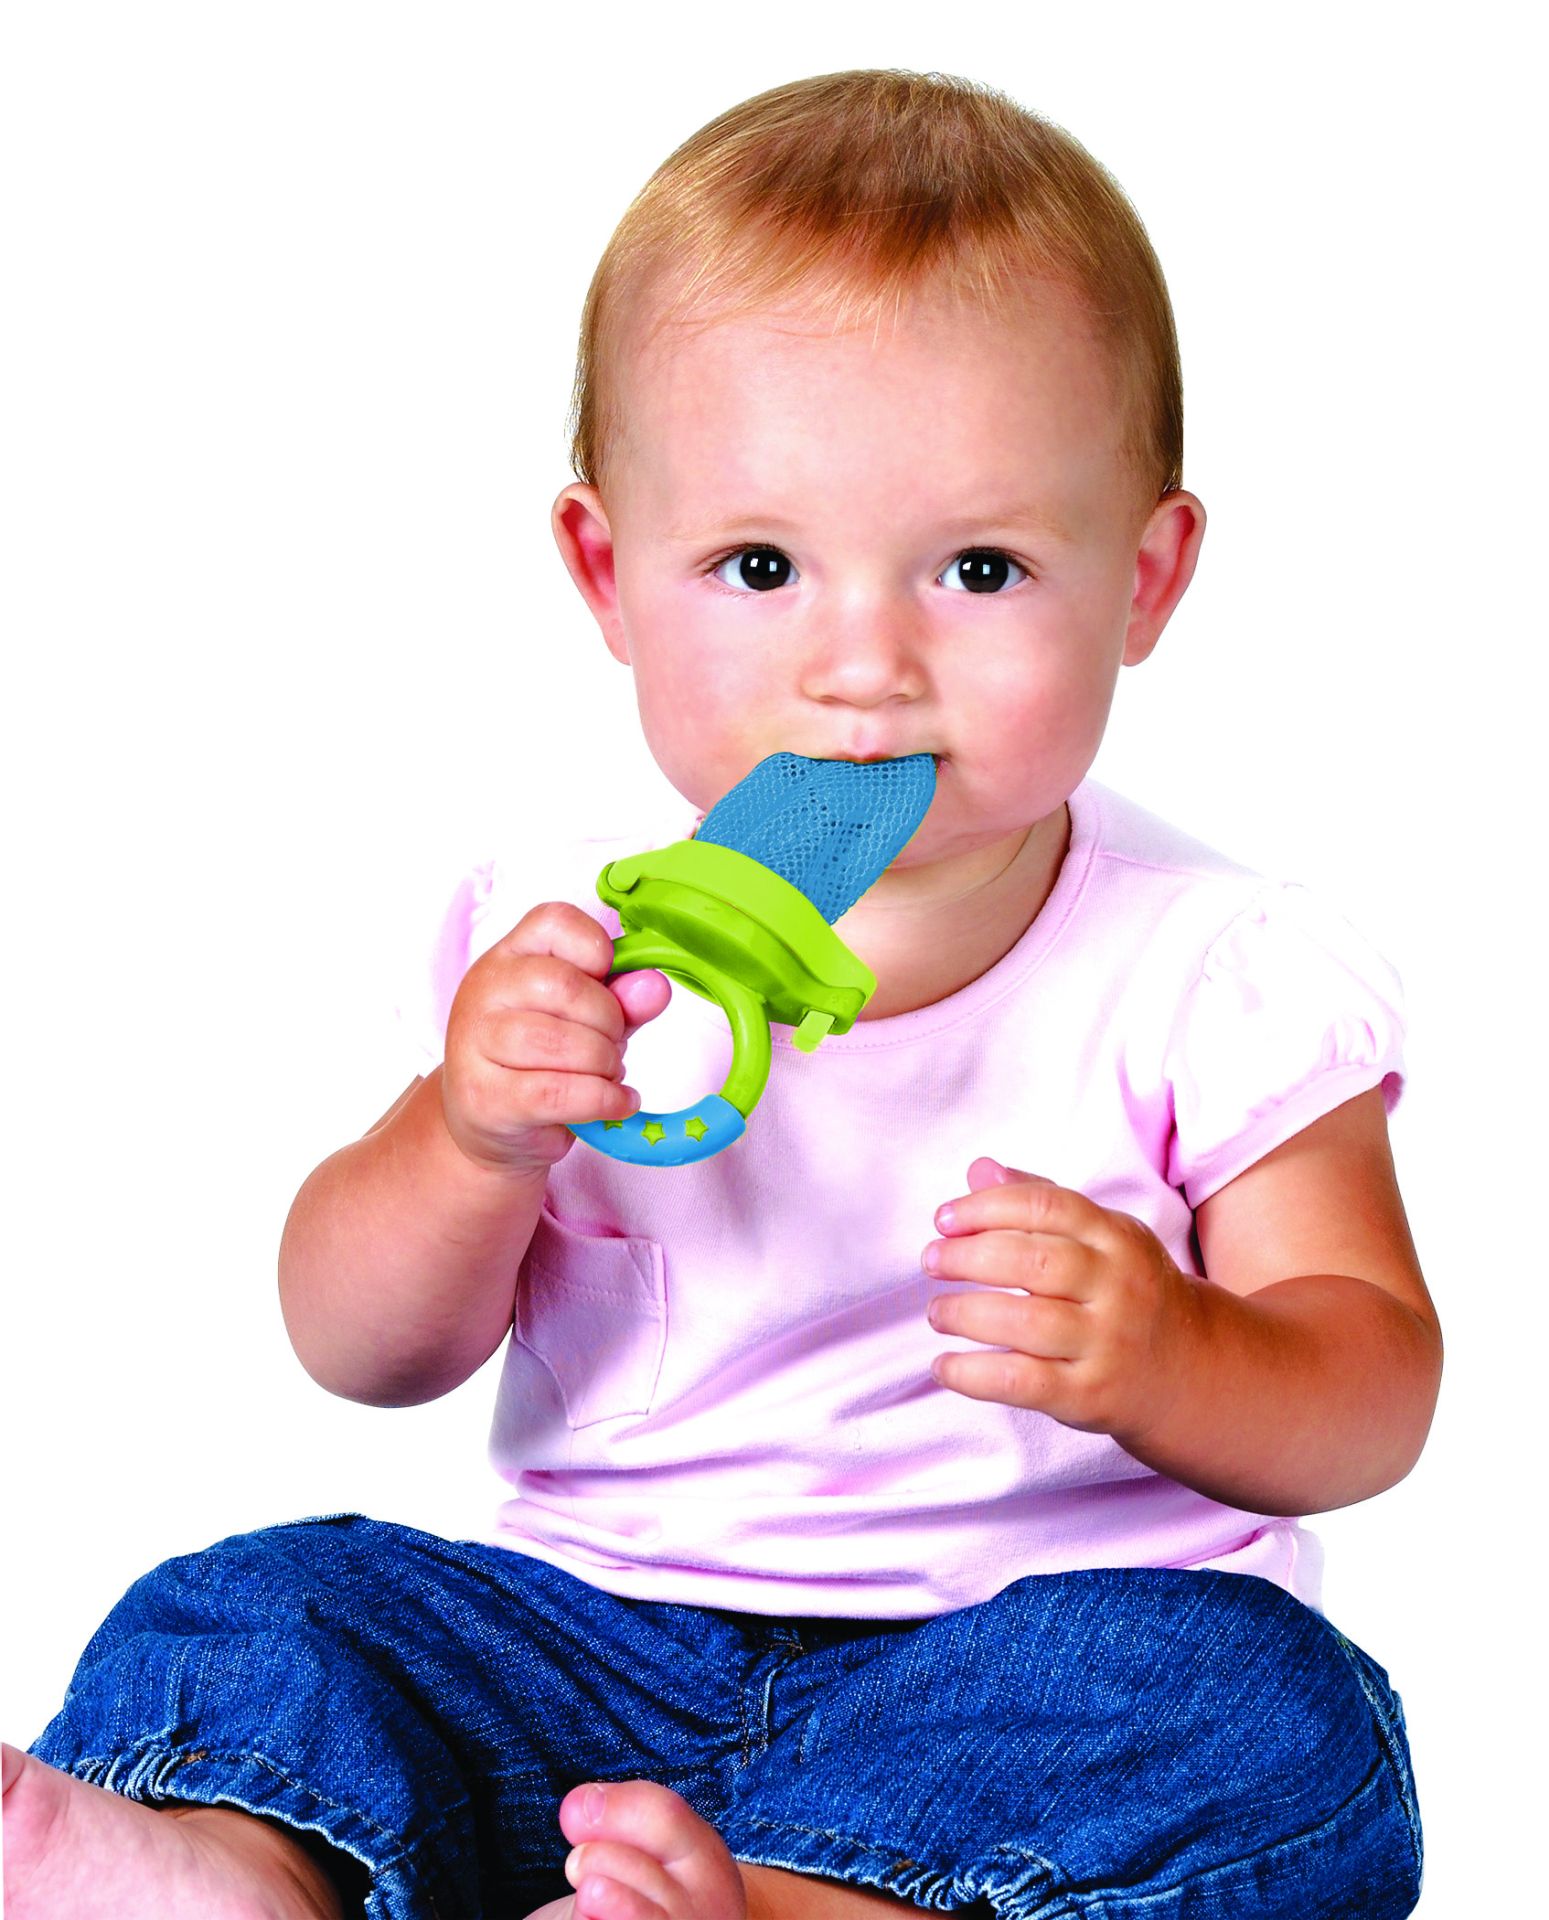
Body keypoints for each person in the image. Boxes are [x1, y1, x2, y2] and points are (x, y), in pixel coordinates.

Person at [3, 67, 1440, 1920]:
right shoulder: (552, 937)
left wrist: (1178, 1352)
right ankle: (226, 1865)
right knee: (264, 1603)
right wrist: (464, 1140)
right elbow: (360, 1352)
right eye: (759, 568)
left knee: (1266, 1715)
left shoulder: (1212, 973)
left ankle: (784, 1905)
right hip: (580, 1652)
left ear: (1142, 581)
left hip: (1020, 1669)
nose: (862, 666)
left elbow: (1370, 1386)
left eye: (980, 569)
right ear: (606, 575)